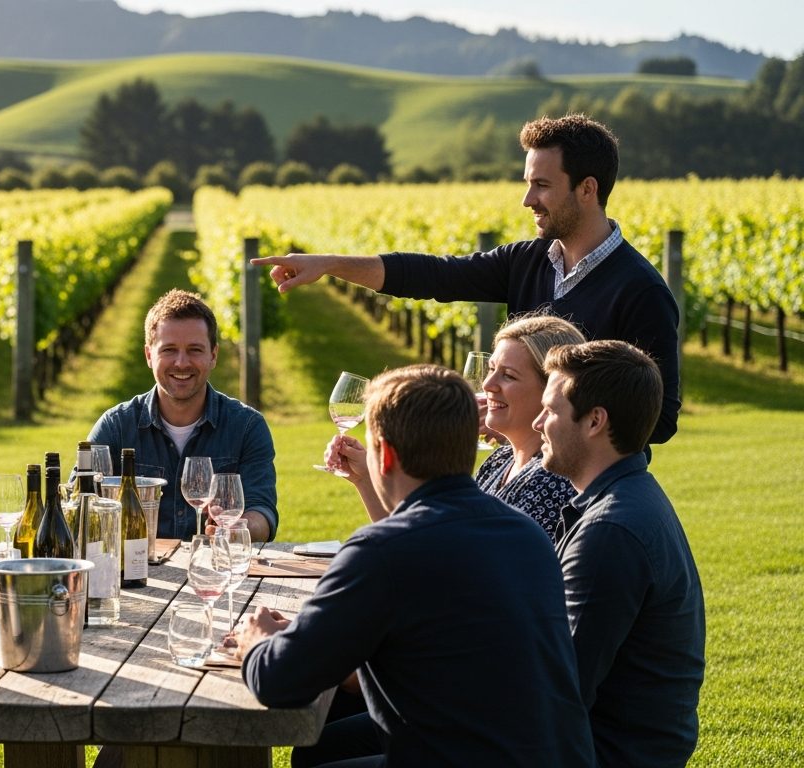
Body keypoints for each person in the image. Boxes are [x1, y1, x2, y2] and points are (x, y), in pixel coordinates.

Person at [234, 364, 593, 768]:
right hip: (551, 755)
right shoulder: (526, 534)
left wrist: (257, 642)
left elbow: (279, 682)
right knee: (321, 750)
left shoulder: (382, 550)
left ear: (384, 455)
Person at [252, 114, 681, 447]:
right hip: (522, 468)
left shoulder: (640, 291)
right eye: (528, 184)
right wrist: (329, 264)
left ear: (587, 189)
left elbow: (658, 421)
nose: (527, 200)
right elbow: (433, 275)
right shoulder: (526, 260)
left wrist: (541, 422)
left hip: (588, 491)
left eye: (542, 185)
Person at [534, 340, 705, 767]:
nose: (538, 423)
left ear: (595, 421)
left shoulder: (611, 531)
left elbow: (557, 692)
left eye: (551, 411)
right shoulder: (624, 498)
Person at [327, 314, 583, 542]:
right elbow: (422, 540)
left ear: (552, 389)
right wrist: (364, 479)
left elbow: (438, 555)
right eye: (492, 369)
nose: (489, 384)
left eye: (509, 375)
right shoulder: (500, 461)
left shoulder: (553, 479)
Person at [87, 288, 277, 541]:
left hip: (215, 570)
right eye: (169, 350)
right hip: (137, 572)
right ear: (149, 356)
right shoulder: (115, 426)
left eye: (195, 350)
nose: (181, 363)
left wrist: (238, 527)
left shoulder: (247, 427)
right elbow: (81, 504)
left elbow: (262, 512)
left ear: (213, 355)